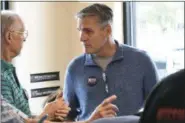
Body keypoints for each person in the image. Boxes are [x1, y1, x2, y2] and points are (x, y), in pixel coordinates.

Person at [63, 3, 158, 121]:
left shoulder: (142, 61)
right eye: (80, 31)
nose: (82, 38)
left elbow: (158, 109)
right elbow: (67, 117)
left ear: (107, 30)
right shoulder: (74, 68)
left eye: (88, 31)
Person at [1, 10, 70, 121]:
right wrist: (46, 114)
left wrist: (51, 111)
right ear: (9, 36)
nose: (24, 38)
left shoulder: (9, 71)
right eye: (21, 33)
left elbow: (21, 117)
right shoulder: (2, 78)